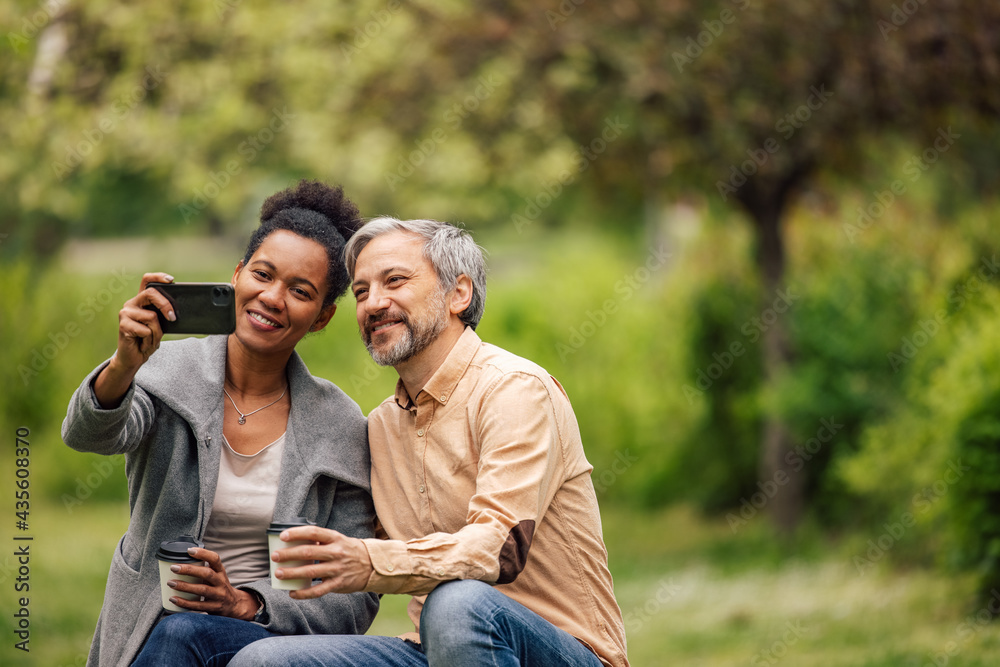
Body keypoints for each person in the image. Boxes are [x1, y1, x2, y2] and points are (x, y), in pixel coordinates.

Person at [230, 217, 629, 666]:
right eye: (361, 292)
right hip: (432, 650)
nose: (374, 303)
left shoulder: (515, 390)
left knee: (457, 605)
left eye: (394, 281)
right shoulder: (380, 427)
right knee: (264, 661)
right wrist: (240, 593)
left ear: (459, 293)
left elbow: (499, 546)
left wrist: (368, 561)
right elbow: (350, 544)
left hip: (561, 651)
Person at [61, 181, 379, 667]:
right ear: (237, 274)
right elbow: (88, 434)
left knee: (186, 631)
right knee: (177, 630)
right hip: (149, 624)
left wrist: (246, 603)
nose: (272, 298)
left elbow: (354, 592)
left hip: (270, 640)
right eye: (262, 274)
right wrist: (124, 366)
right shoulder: (167, 372)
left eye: (299, 291)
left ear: (322, 317)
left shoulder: (339, 426)